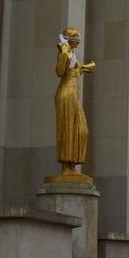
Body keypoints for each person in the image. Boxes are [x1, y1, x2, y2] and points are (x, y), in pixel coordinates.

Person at [54, 27, 95, 178]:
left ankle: (72, 164)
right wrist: (63, 54)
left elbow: (73, 72)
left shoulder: (73, 54)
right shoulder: (65, 53)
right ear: (69, 40)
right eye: (76, 40)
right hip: (66, 94)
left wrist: (85, 68)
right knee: (68, 129)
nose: (78, 43)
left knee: (82, 131)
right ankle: (66, 166)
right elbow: (59, 72)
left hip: (74, 95)